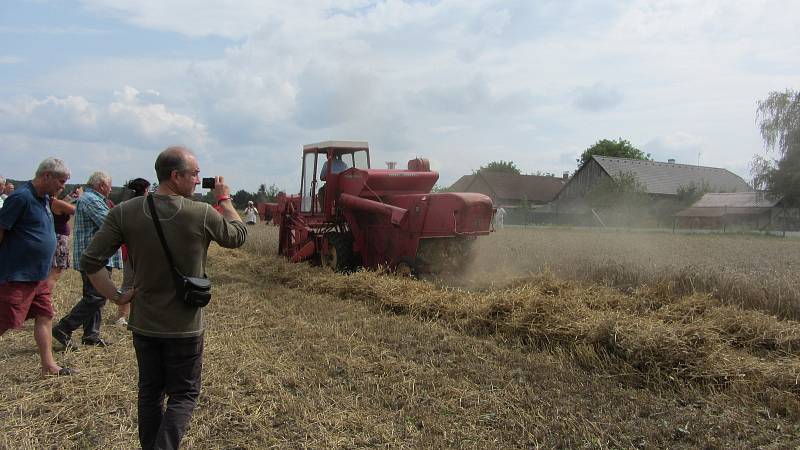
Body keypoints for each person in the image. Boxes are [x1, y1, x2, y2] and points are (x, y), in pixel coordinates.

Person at [81, 146, 246, 449]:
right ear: (175, 175)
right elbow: (237, 235)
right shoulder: (201, 213)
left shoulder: (125, 212)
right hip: (184, 327)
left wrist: (117, 296)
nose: (199, 180)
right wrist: (224, 198)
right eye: (195, 174)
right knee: (184, 395)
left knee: (150, 393)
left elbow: (90, 260)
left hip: (144, 324)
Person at [0, 158, 74, 376]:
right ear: (46, 176)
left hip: (38, 274)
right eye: (61, 181)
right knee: (5, 320)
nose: (63, 187)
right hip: (18, 274)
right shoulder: (20, 198)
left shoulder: (44, 199)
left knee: (45, 315)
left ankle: (49, 366)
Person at [52, 171, 121, 349]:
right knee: (96, 297)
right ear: (101, 185)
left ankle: (91, 335)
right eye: (110, 185)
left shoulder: (94, 199)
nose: (111, 189)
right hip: (95, 257)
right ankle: (64, 327)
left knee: (94, 296)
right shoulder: (91, 199)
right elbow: (109, 223)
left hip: (98, 256)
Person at [112, 177, 151, 326]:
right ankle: (124, 316)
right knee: (136, 284)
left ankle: (124, 316)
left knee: (128, 283)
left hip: (128, 249)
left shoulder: (124, 206)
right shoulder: (147, 206)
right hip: (141, 250)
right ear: (145, 190)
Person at [45, 193, 79, 292]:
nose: (62, 188)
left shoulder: (48, 202)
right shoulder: (56, 203)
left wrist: (69, 198)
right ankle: (45, 297)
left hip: (54, 237)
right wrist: (80, 197)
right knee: (54, 274)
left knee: (50, 272)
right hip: (59, 240)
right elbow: (78, 211)